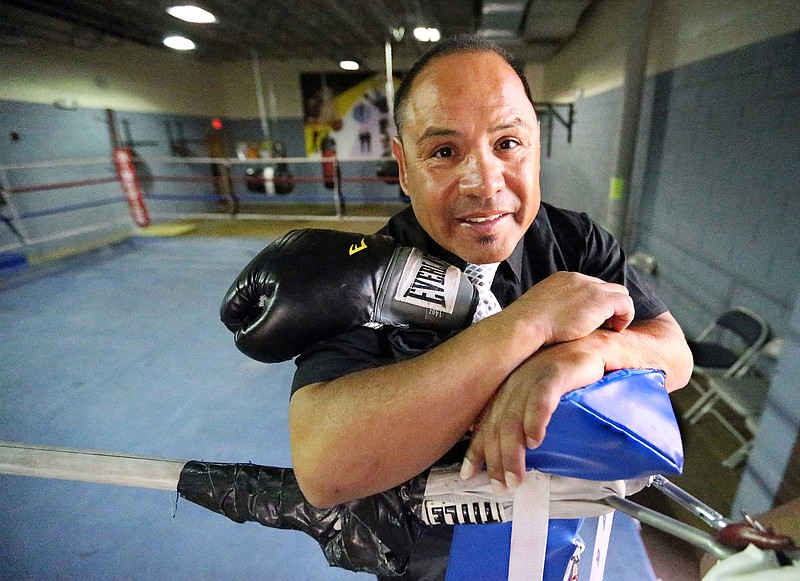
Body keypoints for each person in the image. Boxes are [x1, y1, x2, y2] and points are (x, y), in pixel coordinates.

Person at [287, 34, 694, 579]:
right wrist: (528, 325)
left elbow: (675, 355)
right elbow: (323, 467)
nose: (485, 183)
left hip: (555, 548)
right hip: (430, 561)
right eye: (445, 152)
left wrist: (588, 353)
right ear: (405, 168)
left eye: (507, 143)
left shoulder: (573, 241)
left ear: (535, 144)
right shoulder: (364, 275)